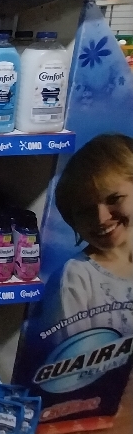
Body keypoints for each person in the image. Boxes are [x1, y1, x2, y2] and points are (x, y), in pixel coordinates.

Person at [45, 133, 133, 337]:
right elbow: (68, 354)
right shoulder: (76, 278)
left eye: (114, 199)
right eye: (85, 210)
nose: (101, 218)